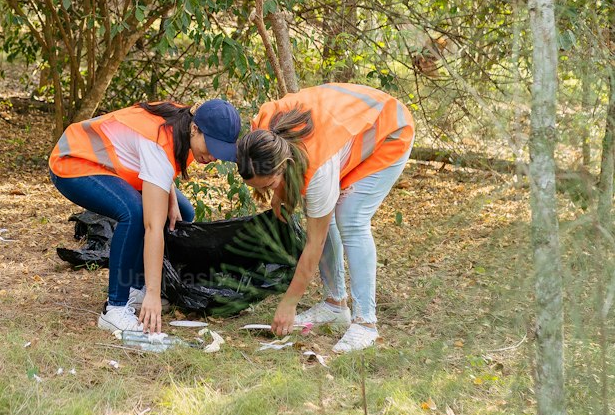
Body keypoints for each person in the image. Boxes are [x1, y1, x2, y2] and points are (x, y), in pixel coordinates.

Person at [236, 83, 414, 353]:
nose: (266, 190)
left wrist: (290, 302)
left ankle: (366, 323)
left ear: (284, 166)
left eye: (270, 183)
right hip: (347, 126)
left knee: (350, 218)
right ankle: (335, 305)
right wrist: (275, 191)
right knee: (324, 213)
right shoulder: (261, 137)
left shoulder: (316, 167)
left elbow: (314, 243)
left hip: (389, 129)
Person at [50, 98, 242, 335]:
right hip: (74, 160)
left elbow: (162, 158)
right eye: (212, 146)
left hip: (116, 167)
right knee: (134, 213)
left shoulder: (185, 121)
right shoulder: (160, 141)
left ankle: (135, 288)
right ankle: (115, 309)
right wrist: (154, 293)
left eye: (221, 151)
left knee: (184, 211)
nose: (214, 156)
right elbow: (152, 225)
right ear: (195, 129)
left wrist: (169, 193)